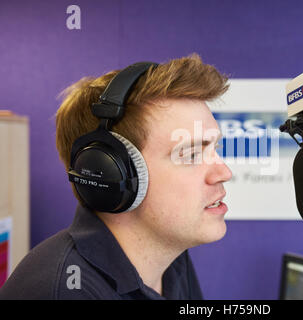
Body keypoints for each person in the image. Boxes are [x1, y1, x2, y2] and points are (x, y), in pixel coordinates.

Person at [0, 54, 233, 299]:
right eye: (192, 154)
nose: (224, 173)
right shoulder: (65, 292)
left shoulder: (172, 262)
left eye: (214, 149)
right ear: (110, 172)